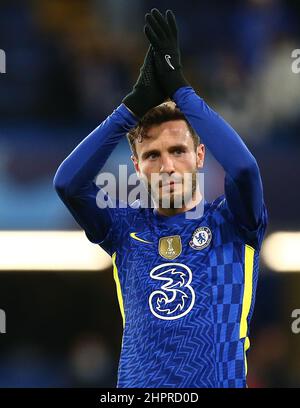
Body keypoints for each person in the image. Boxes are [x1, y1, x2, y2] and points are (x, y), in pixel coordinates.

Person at [53, 9, 268, 388]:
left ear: (200, 156)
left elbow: (245, 170)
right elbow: (68, 184)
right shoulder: (123, 228)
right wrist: (130, 108)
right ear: (136, 166)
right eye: (153, 155)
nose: (167, 165)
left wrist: (183, 91)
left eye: (178, 150)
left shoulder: (232, 222)